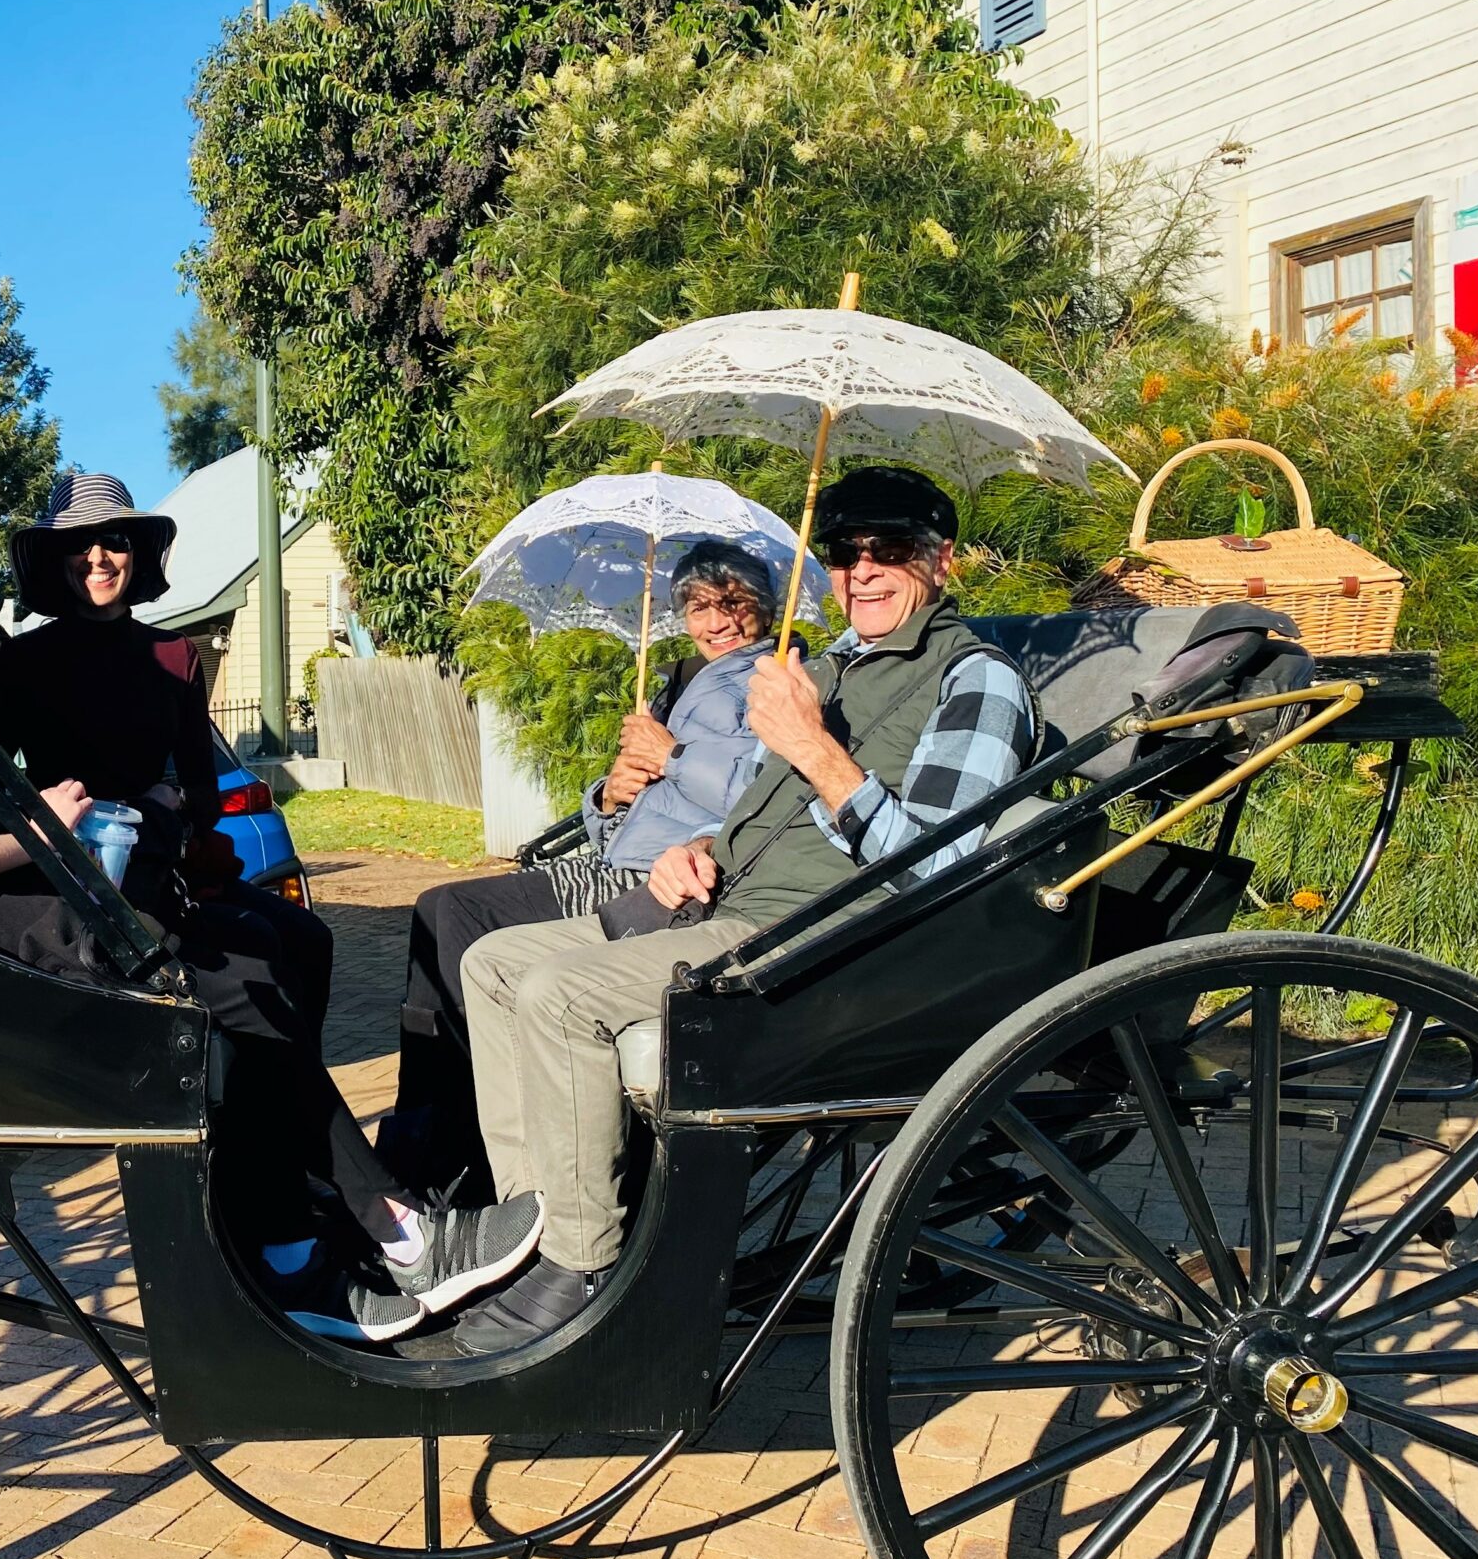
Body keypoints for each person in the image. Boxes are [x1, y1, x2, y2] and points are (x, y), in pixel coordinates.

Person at [0, 537, 542, 1343]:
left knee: (286, 944)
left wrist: (155, 821)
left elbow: (167, 782)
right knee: (237, 987)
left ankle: (296, 1219)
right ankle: (389, 1227)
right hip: (1, 942)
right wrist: (57, 828)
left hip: (62, 898)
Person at [437, 467, 1037, 1353]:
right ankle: (541, 1223)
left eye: (892, 551)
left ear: (940, 562)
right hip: (724, 901)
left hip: (826, 939)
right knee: (491, 965)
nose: (864, 571)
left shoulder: (975, 680)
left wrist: (812, 745)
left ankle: (584, 1263)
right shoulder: (823, 669)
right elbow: (759, 811)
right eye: (845, 554)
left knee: (560, 996)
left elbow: (939, 866)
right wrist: (699, 849)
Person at [383, 540, 780, 1196]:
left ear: (763, 607)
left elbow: (765, 796)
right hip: (613, 859)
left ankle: (449, 1147)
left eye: (732, 603)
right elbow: (633, 810)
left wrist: (673, 754)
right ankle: (429, 1132)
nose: (717, 620)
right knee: (438, 912)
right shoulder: (678, 679)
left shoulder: (772, 682)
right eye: (700, 606)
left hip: (664, 881)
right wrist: (609, 793)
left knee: (455, 913)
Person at [0, 473, 334, 1047]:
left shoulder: (175, 654)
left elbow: (202, 790)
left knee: (308, 939)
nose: (97, 557)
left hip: (163, 860)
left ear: (136, 553)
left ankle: (283, 1087)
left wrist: (170, 807)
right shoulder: (23, 661)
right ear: (56, 559)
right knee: (255, 956)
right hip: (77, 875)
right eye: (79, 542)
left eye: (114, 540)